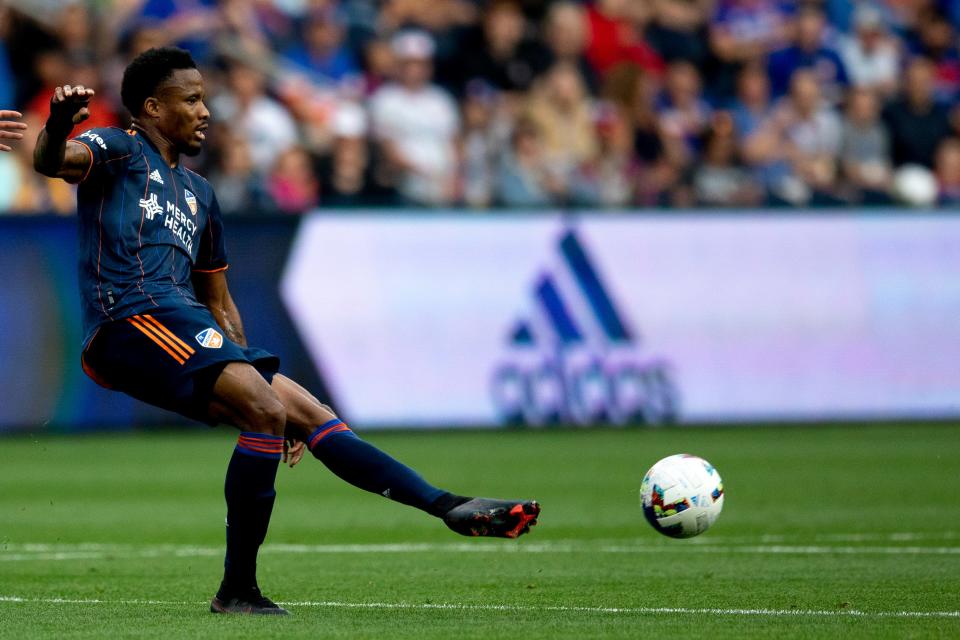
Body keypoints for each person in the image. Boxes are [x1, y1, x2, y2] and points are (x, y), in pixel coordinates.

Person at [32, 47, 539, 617]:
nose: (205, 110)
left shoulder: (199, 193)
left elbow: (218, 301)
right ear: (152, 107)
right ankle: (238, 590)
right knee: (267, 412)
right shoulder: (121, 149)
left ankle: (449, 505)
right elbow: (54, 161)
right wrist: (54, 125)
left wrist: (251, 379)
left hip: (184, 320)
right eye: (192, 99)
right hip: (128, 319)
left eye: (206, 98)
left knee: (309, 413)